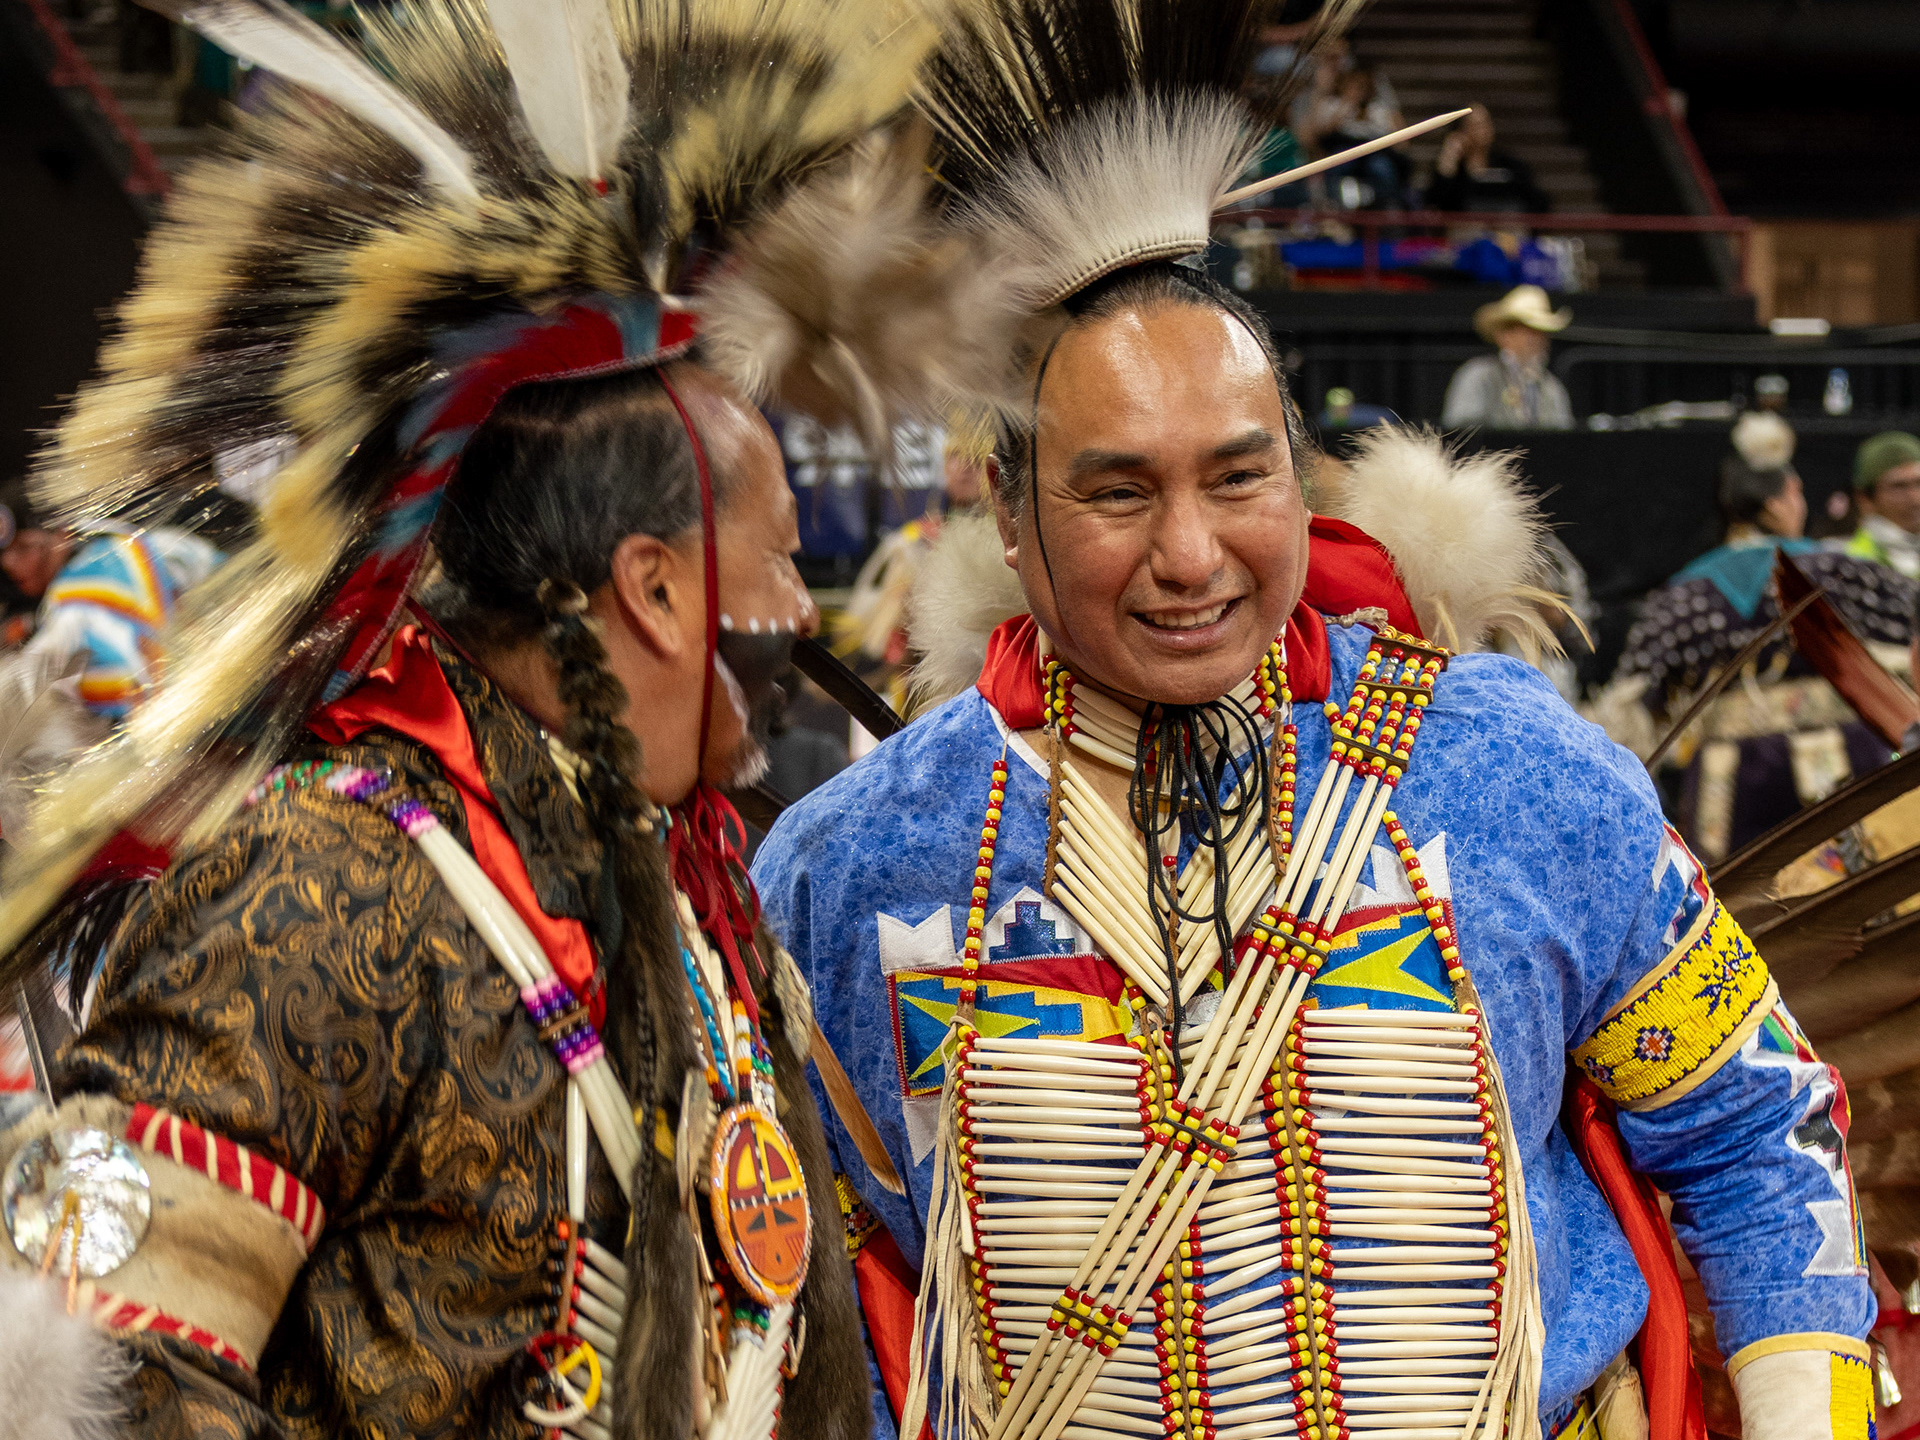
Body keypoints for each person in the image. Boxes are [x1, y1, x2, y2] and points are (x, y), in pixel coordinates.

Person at [754, 6, 1878, 1439]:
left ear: (1301, 477)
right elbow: (799, 1282)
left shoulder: (1511, 770)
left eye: (1238, 479)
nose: (1190, 554)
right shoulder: (858, 864)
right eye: (1117, 491)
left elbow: (1755, 1122)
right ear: (1011, 515)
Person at [0, 1, 1011, 1435]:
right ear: (653, 589)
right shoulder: (317, 882)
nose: (803, 606)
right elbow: (106, 1368)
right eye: (782, 560)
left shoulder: (682, 878)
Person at [1599, 453, 1913, 862]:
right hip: (1848, 766)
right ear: (1776, 504)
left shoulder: (1684, 594)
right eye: (1796, 493)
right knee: (1858, 884)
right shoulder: (1845, 573)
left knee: (1741, 890)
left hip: (1732, 780)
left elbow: (1630, 704)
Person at [1442, 283, 1576, 430]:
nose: (1537, 339)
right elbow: (1461, 429)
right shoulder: (1478, 375)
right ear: (1504, 334)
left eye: (1542, 332)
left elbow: (1563, 435)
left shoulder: (1551, 388)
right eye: (1528, 331)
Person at [1426, 103, 1551, 214]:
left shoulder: (1509, 164)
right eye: (1474, 125)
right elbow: (1436, 204)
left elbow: (1537, 201)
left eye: (1485, 123)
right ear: (1460, 130)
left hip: (1505, 228)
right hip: (1464, 230)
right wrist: (1449, 161)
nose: (1482, 130)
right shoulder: (1452, 170)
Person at [1845, 431, 1920, 580]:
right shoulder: (1854, 563)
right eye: (1899, 486)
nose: (1915, 499)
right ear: (1865, 498)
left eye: (1919, 483)